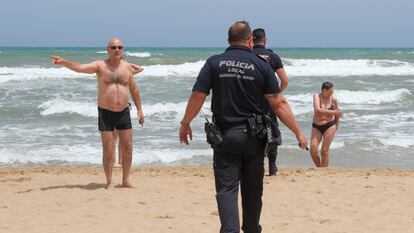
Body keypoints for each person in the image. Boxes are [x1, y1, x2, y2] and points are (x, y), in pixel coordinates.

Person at [179, 21, 307, 233]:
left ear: (228, 40)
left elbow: (197, 96)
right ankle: (251, 229)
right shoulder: (262, 66)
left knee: (227, 189)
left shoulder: (214, 63)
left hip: (226, 137)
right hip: (254, 139)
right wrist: (298, 131)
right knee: (253, 189)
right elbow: (279, 103)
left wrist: (185, 123)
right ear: (250, 40)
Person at [49, 38, 145, 188]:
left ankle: (125, 180)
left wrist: (139, 109)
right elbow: (80, 68)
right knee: (108, 149)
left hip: (124, 112)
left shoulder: (127, 67)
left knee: (128, 146)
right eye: (113, 47)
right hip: (106, 112)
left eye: (120, 47)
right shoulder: (100, 66)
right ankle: (110, 181)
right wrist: (64, 62)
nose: (117, 49)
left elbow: (133, 89)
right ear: (108, 50)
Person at [252, 28, 289, 176]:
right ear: (265, 40)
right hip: (269, 100)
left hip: (251, 99)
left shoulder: (248, 55)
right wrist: (277, 93)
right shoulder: (273, 57)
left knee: (254, 130)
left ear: (251, 40)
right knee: (271, 129)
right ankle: (272, 166)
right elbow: (285, 80)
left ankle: (257, 164)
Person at [310, 81, 342, 167]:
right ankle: (319, 167)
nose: (332, 92)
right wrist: (333, 111)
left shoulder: (333, 99)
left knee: (324, 151)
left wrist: (336, 125)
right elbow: (317, 110)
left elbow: (337, 113)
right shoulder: (316, 96)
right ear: (324, 90)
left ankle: (324, 171)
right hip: (316, 126)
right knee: (313, 150)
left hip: (330, 125)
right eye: (331, 90)